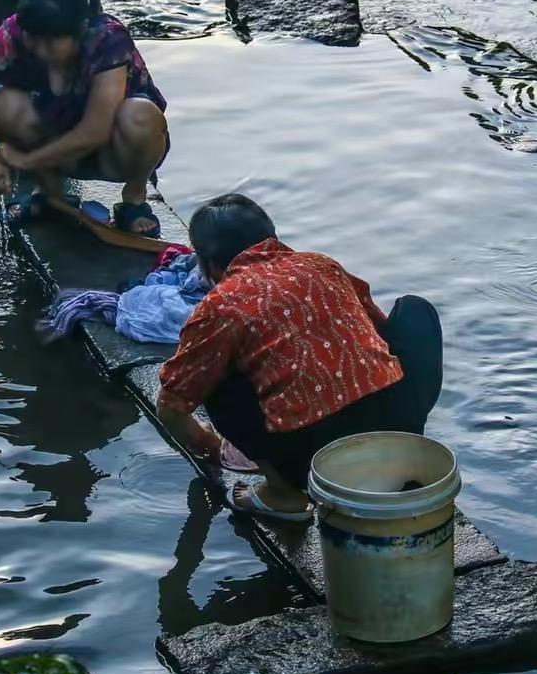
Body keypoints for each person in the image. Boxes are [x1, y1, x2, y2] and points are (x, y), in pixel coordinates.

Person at [156, 194, 443, 522]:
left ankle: (282, 493)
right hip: (399, 421)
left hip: (311, 462)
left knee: (212, 375)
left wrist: (209, 444)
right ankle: (404, 443)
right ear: (273, 237)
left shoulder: (220, 305)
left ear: (209, 265)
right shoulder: (321, 264)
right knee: (413, 310)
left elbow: (172, 405)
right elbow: (376, 329)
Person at [0, 0, 169, 235]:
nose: (40, 49)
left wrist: (25, 160)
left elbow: (95, 130)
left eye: (52, 42)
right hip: (56, 144)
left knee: (139, 115)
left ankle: (134, 198)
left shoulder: (107, 39)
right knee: (7, 104)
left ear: (79, 32)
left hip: (114, 150)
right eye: (33, 39)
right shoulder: (14, 33)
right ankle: (49, 194)